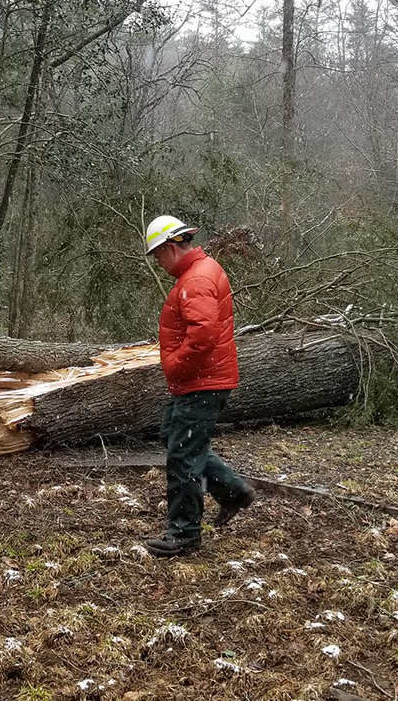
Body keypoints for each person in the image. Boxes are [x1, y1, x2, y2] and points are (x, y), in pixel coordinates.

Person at [141, 215, 256, 557]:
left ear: (172, 247)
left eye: (159, 255)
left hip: (201, 381)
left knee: (182, 454)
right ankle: (232, 490)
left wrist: (174, 366)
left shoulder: (197, 280)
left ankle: (185, 532)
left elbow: (202, 337)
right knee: (171, 436)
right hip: (200, 380)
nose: (159, 263)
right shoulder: (198, 273)